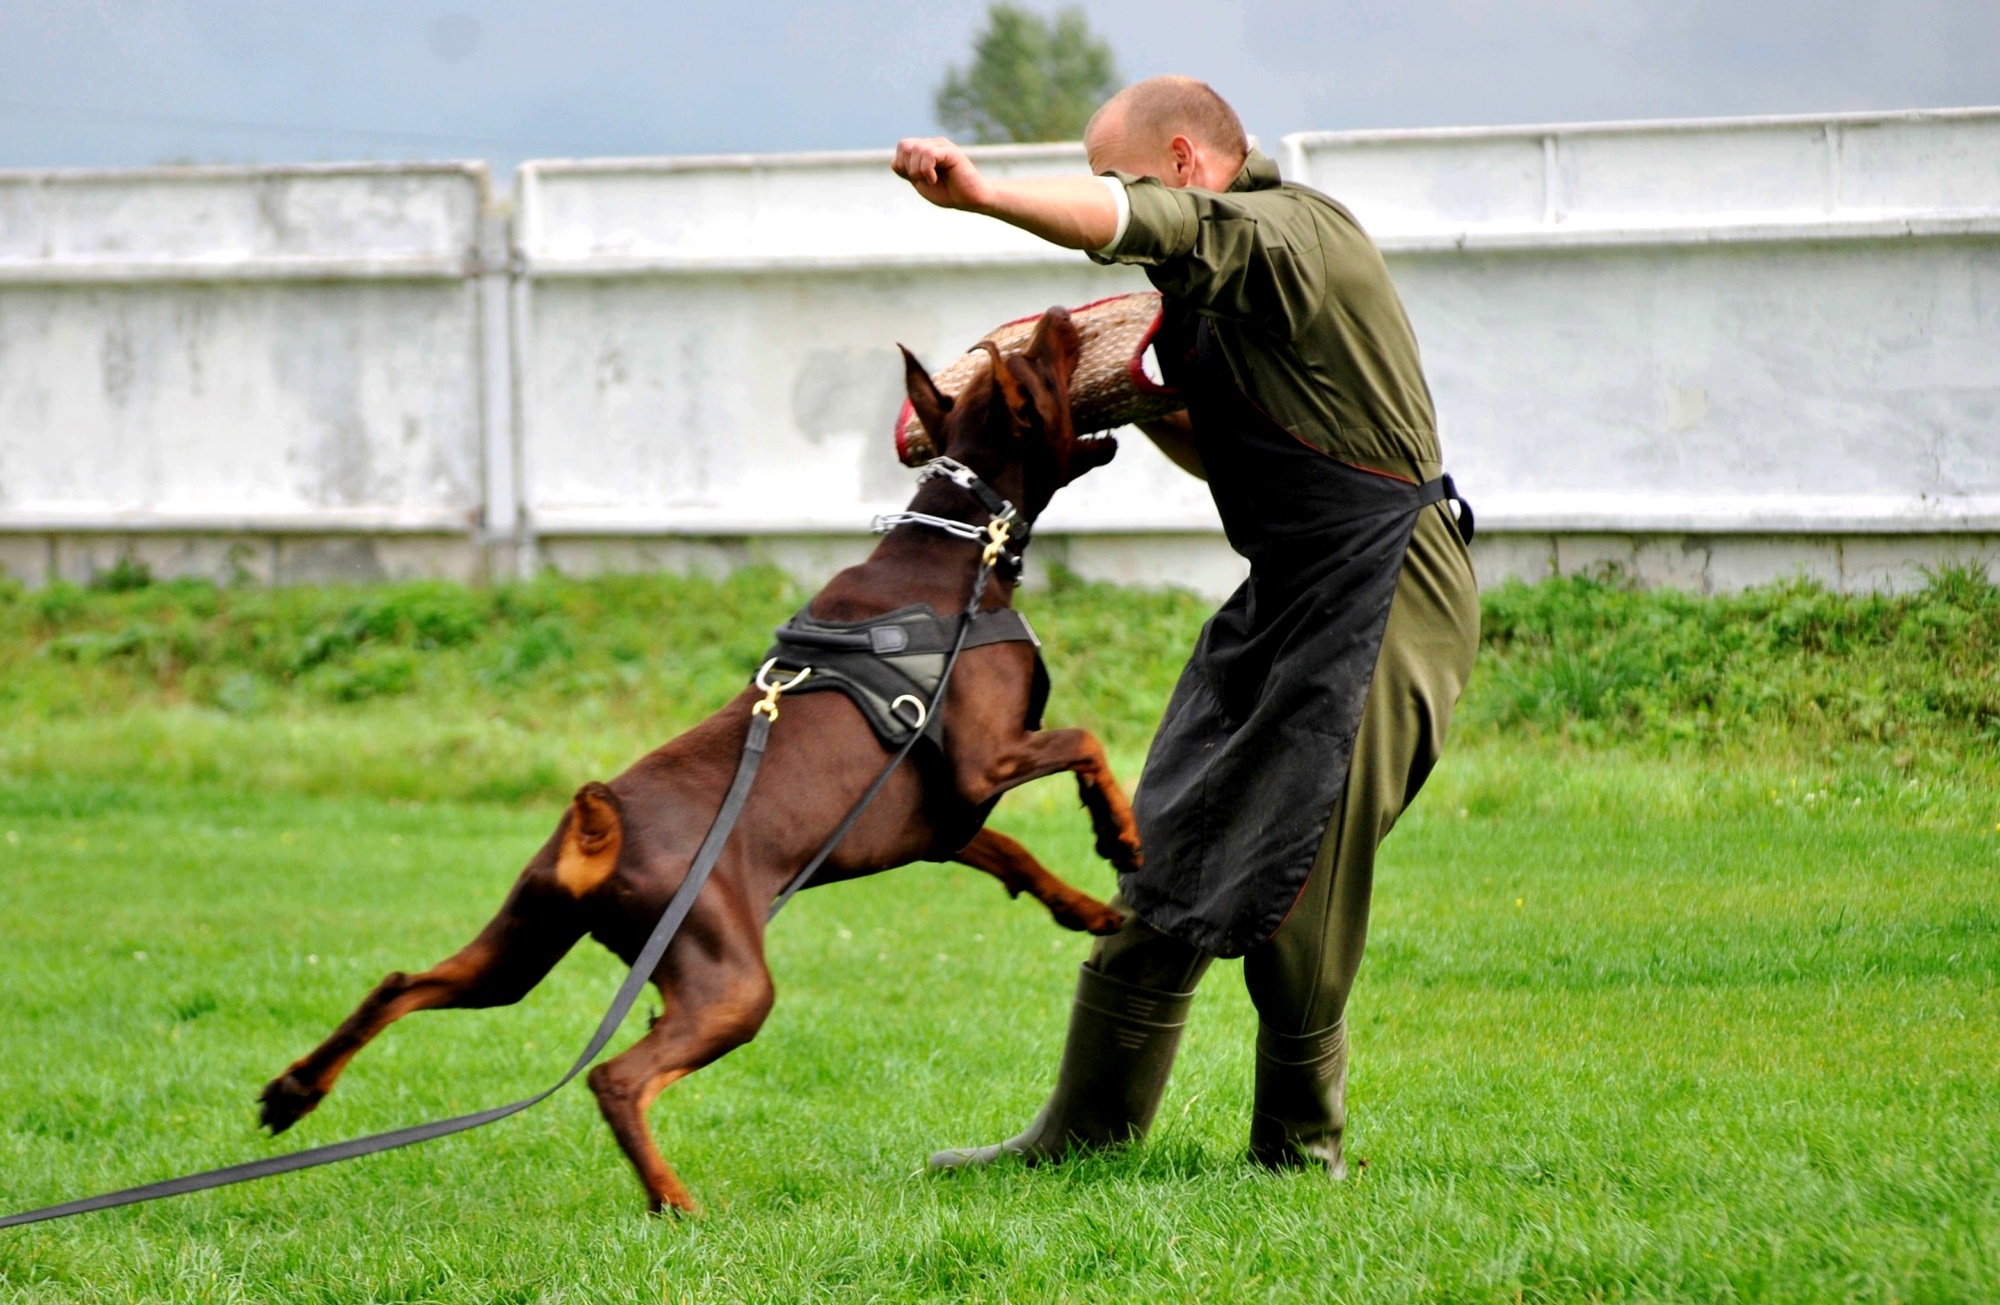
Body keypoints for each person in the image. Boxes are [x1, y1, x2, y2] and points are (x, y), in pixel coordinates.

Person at [892, 76, 1479, 1176]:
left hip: (1390, 590)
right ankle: (1081, 1137)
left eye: (1118, 179)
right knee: (1172, 833)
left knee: (1299, 866)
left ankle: (1299, 1156)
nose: (1114, 207)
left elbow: (1145, 223)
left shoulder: (1284, 236)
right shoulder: (1208, 294)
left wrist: (979, 196)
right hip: (1288, 588)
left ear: (1182, 158)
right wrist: (1152, 407)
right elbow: (1235, 455)